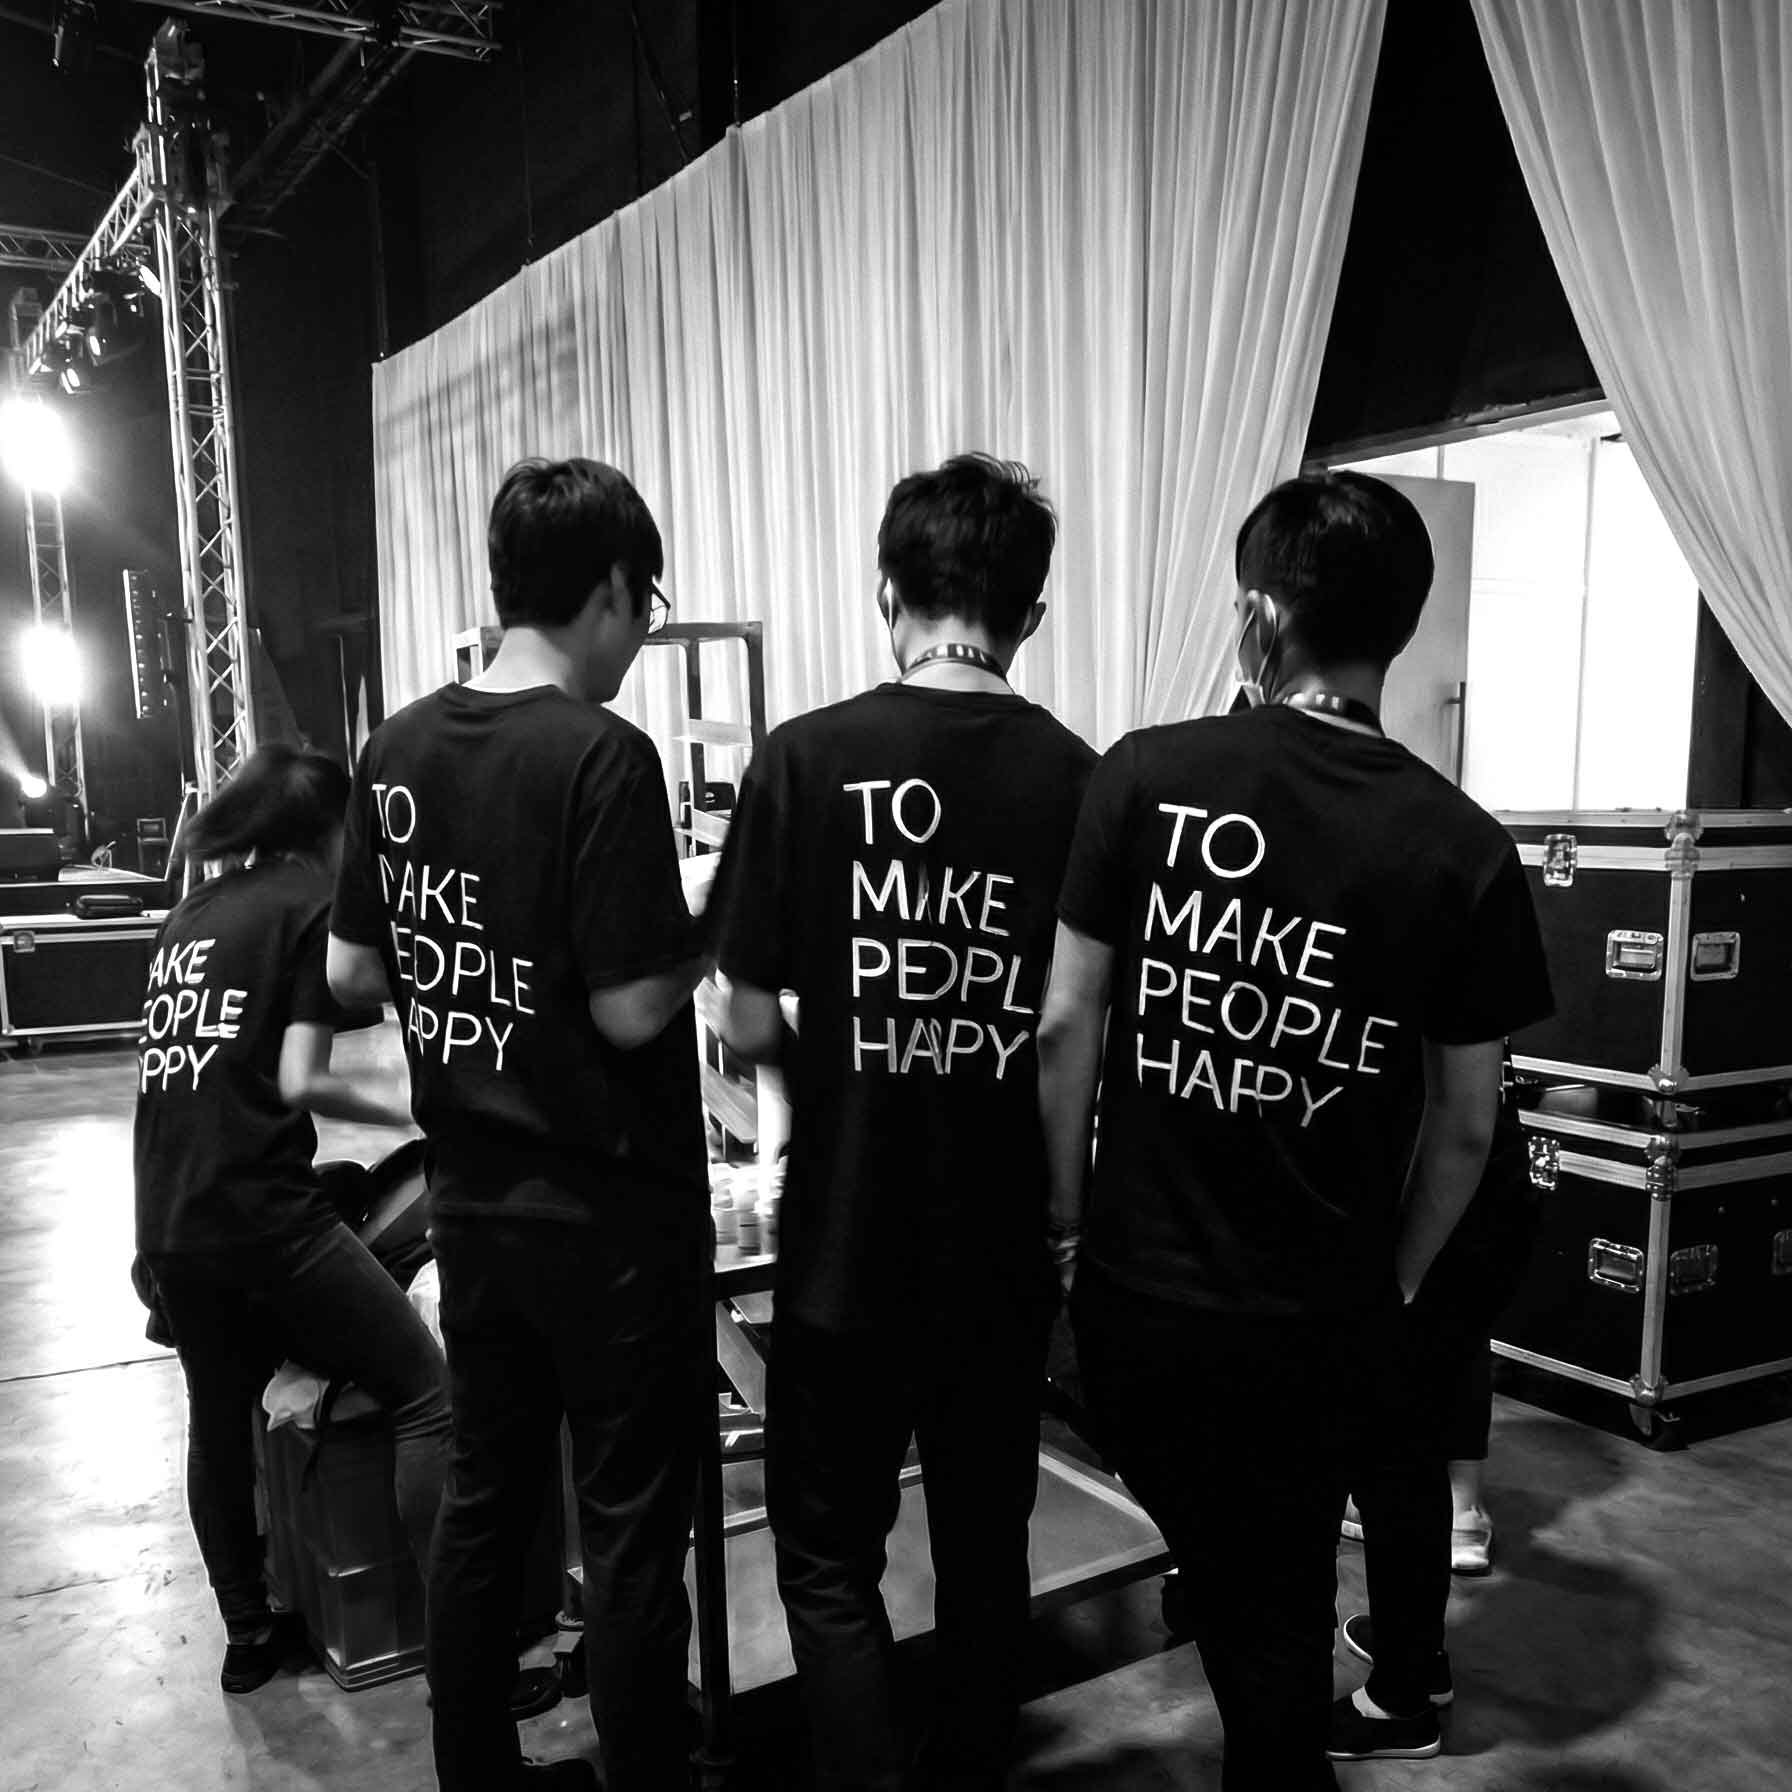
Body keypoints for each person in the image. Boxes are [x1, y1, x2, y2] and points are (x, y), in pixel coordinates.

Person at [1036, 471, 1553, 1789]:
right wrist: (1397, 1280)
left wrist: (1068, 1228)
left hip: (1144, 1300)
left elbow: (1063, 1027)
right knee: (1271, 1593)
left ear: (1261, 614)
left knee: (1245, 1601)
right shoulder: (1463, 847)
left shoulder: (1144, 776)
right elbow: (1464, 1125)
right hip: (1324, 1315)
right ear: (1400, 626)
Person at [713, 454, 1096, 1791]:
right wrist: (1063, 1212)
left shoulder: (803, 757)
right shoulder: (1080, 778)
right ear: (1028, 613)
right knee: (988, 1543)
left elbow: (741, 1012)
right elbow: (1071, 1031)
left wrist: (832, 1071)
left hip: (844, 1243)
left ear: (888, 592)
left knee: (827, 1554)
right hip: (998, 1246)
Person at [328, 456, 710, 1792]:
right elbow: (628, 1008)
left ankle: (474, 1770)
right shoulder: (602, 755)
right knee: (631, 1525)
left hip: (474, 1205)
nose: (639, 635)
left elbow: (352, 974)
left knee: (490, 1500)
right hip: (609, 1216)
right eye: (645, 606)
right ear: (609, 588)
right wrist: (716, 919)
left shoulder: (396, 749)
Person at [132, 744, 450, 1695]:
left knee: (217, 1418)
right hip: (262, 1215)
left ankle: (247, 1634)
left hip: (170, 1215)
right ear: (331, 830)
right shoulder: (311, 905)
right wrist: (418, 1109)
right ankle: (461, 1653)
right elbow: (313, 1065)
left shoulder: (192, 915)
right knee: (426, 1391)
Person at [1335, 1100, 1542, 1736]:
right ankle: (1416, 1657)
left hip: (1427, 1204)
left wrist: (1405, 1275)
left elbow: (1464, 1127)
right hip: (1459, 1202)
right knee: (1407, 1443)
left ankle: (1401, 1697)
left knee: (1392, 1455)